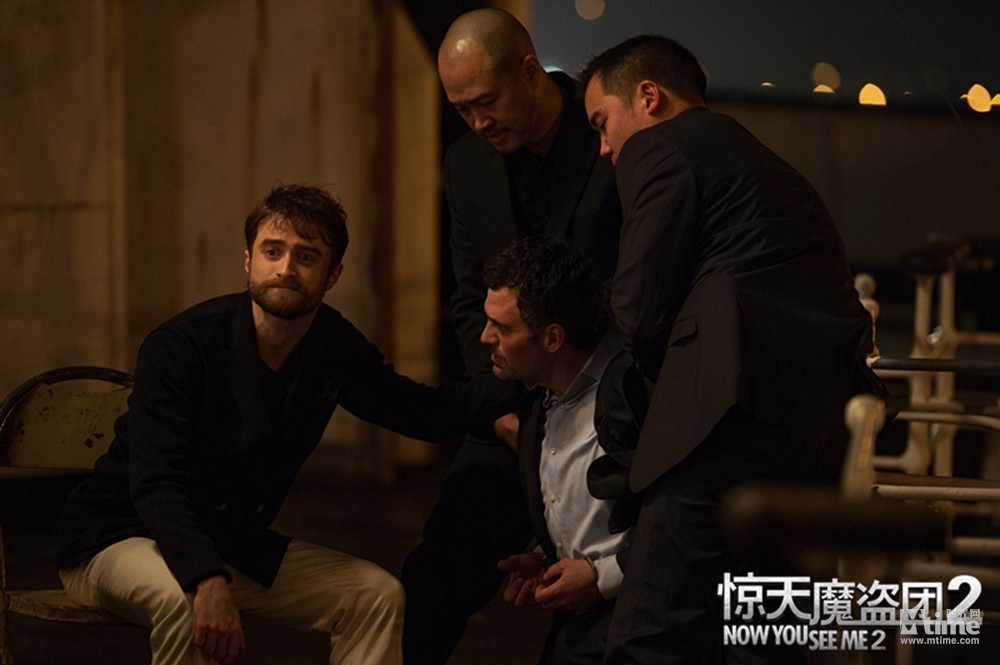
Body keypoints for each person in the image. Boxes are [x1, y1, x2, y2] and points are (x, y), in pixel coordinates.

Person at [57, 184, 524, 665]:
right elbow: (156, 483)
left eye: (306, 256)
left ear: (332, 273)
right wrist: (205, 579)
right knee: (183, 599)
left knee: (376, 595)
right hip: (118, 539)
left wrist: (530, 374)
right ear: (248, 261)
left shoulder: (332, 343)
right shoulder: (182, 345)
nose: (285, 268)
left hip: (227, 543)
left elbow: (423, 412)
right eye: (272, 251)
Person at [580, 36, 881, 663]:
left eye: (602, 122)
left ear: (648, 96)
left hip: (725, 421)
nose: (603, 147)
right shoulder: (761, 159)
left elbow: (640, 311)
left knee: (648, 635)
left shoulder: (659, 146)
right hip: (821, 426)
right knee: (758, 638)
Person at [401, 8, 621, 663]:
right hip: (510, 405)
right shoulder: (467, 162)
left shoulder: (607, 139)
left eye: (486, 102)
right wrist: (497, 401)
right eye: (461, 109)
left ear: (529, 71)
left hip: (608, 406)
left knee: (602, 592)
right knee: (436, 574)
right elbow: (470, 296)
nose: (477, 122)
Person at [479, 236, 631, 664]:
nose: (485, 337)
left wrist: (600, 576)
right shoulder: (540, 399)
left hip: (639, 625)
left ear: (552, 337)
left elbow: (683, 522)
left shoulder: (632, 398)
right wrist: (546, 555)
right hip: (579, 626)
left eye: (502, 328)